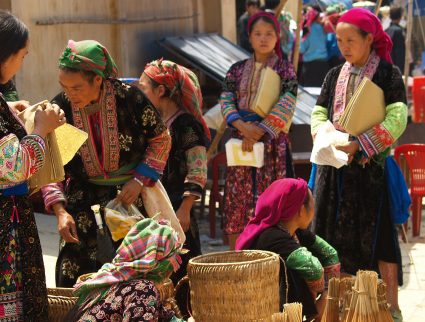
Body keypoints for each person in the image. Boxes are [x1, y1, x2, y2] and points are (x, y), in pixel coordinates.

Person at [41, 40, 171, 287]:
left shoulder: (130, 99)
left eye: (77, 87)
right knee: (76, 277)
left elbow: (161, 139)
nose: (70, 95)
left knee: (134, 278)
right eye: (64, 87)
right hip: (82, 204)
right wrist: (60, 211)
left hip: (130, 200)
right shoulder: (61, 109)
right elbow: (51, 161)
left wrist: (139, 179)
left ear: (98, 80)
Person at [310, 8, 407, 322]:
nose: (344, 46)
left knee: (380, 242)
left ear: (370, 39)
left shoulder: (388, 75)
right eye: (339, 40)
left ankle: (387, 307)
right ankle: (337, 308)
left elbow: (398, 116)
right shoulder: (332, 75)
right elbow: (319, 113)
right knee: (329, 239)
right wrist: (323, 136)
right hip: (334, 171)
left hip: (370, 172)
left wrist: (361, 143)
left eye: (350, 39)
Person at [0, 11, 65, 321]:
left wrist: (8, 110)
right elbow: (13, 166)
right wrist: (40, 129)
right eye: (21, 56)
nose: (21, 63)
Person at [138, 59, 210, 316]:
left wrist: (185, 209)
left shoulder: (185, 125)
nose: (139, 93)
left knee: (181, 271)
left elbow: (198, 168)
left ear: (160, 91)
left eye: (143, 87)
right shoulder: (153, 122)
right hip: (155, 207)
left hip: (177, 209)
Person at [220, 11, 297, 249]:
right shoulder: (236, 69)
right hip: (241, 140)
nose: (263, 39)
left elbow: (288, 101)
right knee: (237, 202)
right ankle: (238, 258)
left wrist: (261, 130)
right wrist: (242, 126)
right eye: (258, 34)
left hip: (272, 144)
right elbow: (226, 98)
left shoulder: (286, 70)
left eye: (269, 34)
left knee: (272, 200)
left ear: (277, 37)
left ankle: (271, 256)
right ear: (250, 38)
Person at [236, 178, 340, 320]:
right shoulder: (273, 236)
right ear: (301, 210)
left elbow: (330, 254)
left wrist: (326, 292)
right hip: (266, 310)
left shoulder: (294, 231)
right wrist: (323, 293)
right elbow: (313, 268)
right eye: (312, 204)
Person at [66, 218, 185, 322]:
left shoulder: (117, 280)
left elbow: (165, 316)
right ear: (160, 265)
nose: (174, 269)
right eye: (175, 260)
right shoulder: (143, 290)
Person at [299, 7, 329, 87]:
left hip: (310, 67)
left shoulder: (305, 30)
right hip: (324, 65)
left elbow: (301, 49)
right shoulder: (322, 28)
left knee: (311, 95)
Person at [385, 6, 406, 72]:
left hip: (387, 63)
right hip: (397, 65)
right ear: (400, 17)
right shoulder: (399, 31)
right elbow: (400, 51)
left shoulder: (386, 30)